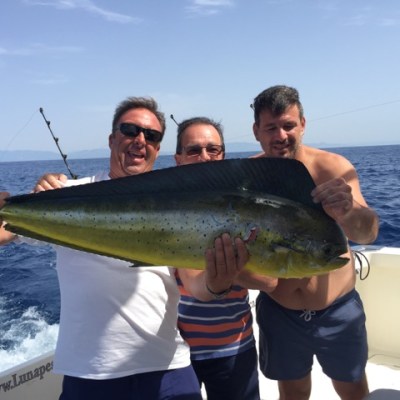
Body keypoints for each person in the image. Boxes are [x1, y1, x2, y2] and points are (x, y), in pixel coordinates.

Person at [0, 97, 248, 400]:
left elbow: (198, 284)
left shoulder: (181, 204)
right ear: (112, 139)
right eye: (130, 130)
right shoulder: (66, 195)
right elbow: (5, 230)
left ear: (158, 149)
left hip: (167, 367)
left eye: (152, 136)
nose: (140, 140)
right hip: (90, 373)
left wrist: (218, 283)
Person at [248, 85, 379, 400]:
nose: (281, 135)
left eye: (289, 125)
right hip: (280, 312)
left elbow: (368, 232)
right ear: (256, 132)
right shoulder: (248, 176)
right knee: (292, 392)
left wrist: (348, 212)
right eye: (271, 127)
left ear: (303, 125)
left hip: (337, 311)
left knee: (353, 389)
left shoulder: (332, 168)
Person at [174, 117, 275, 400]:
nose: (204, 157)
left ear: (223, 156)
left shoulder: (247, 205)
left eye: (213, 150)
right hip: (176, 354)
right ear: (178, 159)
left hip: (234, 347)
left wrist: (227, 266)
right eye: (194, 150)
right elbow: (194, 282)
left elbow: (269, 280)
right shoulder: (164, 202)